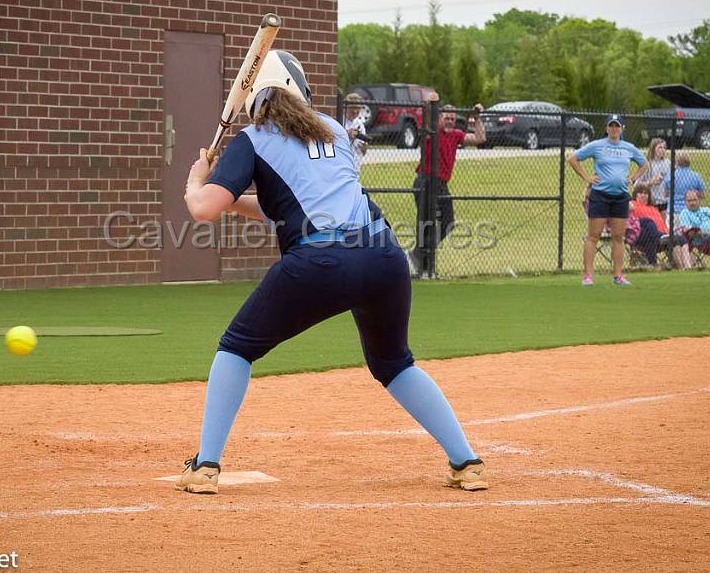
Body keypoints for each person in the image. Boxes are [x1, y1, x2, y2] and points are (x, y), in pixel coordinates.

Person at [175, 50, 487, 495]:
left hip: (320, 263)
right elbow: (286, 204)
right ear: (299, 91)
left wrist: (196, 182)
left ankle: (205, 466)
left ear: (254, 101)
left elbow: (204, 210)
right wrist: (221, 195)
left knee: (236, 348)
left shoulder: (254, 137)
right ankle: (466, 462)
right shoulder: (333, 130)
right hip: (382, 257)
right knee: (394, 362)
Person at [568, 114, 648, 286]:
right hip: (600, 196)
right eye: (611, 126)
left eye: (617, 126)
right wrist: (587, 177)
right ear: (606, 128)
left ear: (622, 129)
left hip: (620, 197)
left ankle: (618, 276)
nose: (614, 128)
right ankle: (588, 276)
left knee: (618, 237)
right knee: (593, 236)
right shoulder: (597, 146)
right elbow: (573, 159)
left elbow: (644, 164)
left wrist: (633, 178)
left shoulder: (628, 147)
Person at [408, 101, 486, 275]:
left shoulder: (456, 135)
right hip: (425, 181)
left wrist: (477, 118)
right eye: (446, 117)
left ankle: (418, 253)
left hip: (442, 184)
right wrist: (431, 108)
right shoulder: (432, 133)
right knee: (427, 222)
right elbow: (427, 123)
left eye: (453, 118)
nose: (450, 121)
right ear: (440, 118)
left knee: (448, 222)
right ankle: (425, 266)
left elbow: (480, 139)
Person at [630, 185, 690, 269]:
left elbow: (661, 224)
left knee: (681, 239)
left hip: (661, 234)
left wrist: (667, 232)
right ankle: (679, 267)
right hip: (643, 235)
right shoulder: (633, 205)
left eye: (646, 193)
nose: (643, 195)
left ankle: (686, 268)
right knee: (650, 225)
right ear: (635, 195)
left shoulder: (654, 208)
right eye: (640, 193)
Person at [669, 152, 705, 223]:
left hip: (673, 210)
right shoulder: (696, 176)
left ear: (676, 162)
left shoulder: (671, 176)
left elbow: (665, 194)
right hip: (690, 211)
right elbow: (702, 195)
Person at [635, 138, 670, 211]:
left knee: (662, 222)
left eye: (664, 148)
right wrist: (651, 181)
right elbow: (637, 185)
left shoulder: (668, 163)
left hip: (664, 201)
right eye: (660, 147)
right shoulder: (647, 164)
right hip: (652, 201)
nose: (663, 150)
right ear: (653, 149)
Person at [342, 92, 369, 170]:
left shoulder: (360, 124)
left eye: (357, 108)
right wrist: (347, 134)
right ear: (345, 107)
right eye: (352, 108)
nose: (355, 111)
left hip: (355, 166)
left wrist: (364, 148)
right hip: (343, 164)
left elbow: (363, 151)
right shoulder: (339, 120)